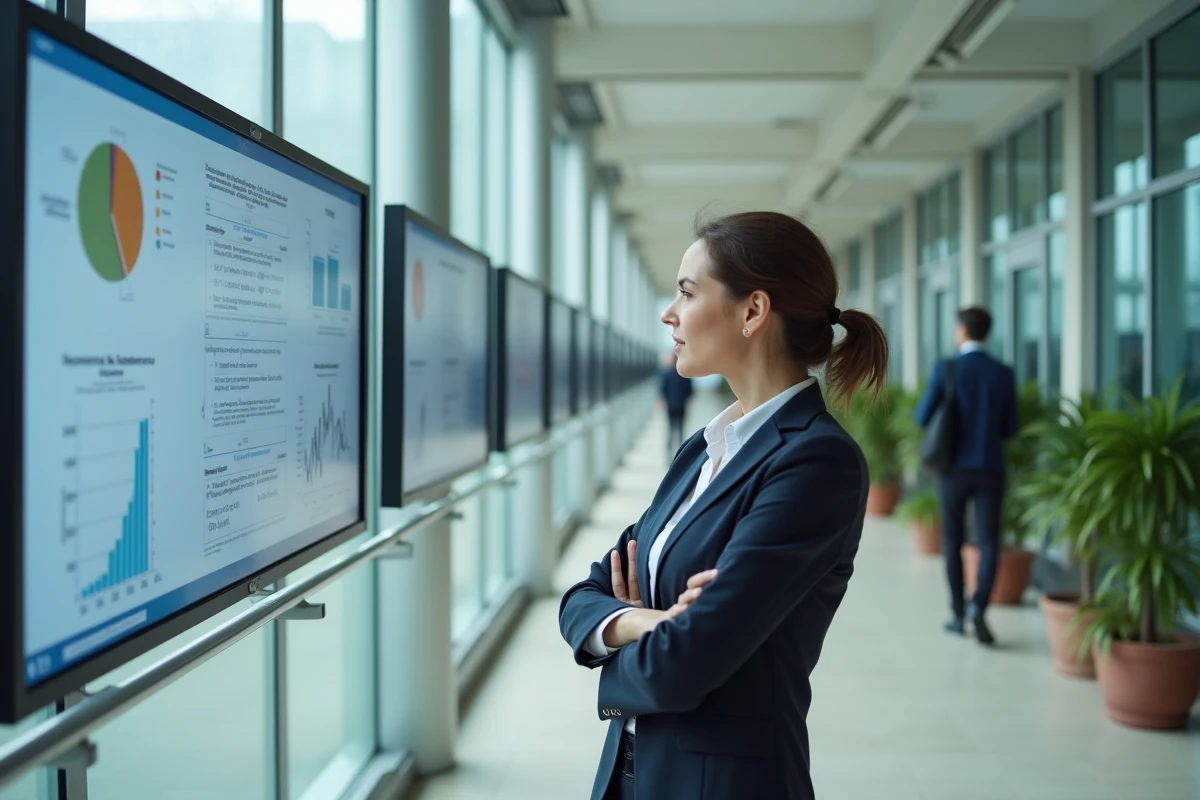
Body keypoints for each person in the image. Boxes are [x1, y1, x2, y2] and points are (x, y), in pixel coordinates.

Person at [558, 212, 889, 800]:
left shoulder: (816, 463)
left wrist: (622, 645)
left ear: (753, 311)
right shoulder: (705, 449)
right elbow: (585, 592)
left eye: (687, 293)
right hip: (630, 773)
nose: (669, 314)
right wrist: (648, 621)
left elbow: (685, 665)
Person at [914, 307, 1018, 646]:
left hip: (953, 470)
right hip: (990, 467)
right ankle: (979, 608)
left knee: (952, 541)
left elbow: (922, 416)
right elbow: (1010, 428)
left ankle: (958, 614)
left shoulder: (947, 369)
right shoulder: (1002, 373)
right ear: (986, 333)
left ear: (962, 330)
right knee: (988, 542)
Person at [658, 351, 693, 457]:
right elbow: (690, 391)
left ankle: (669, 456)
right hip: (681, 406)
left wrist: (662, 401)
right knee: (681, 430)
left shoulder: (668, 373)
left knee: (670, 430)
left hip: (671, 406)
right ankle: (681, 455)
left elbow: (663, 389)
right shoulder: (685, 375)